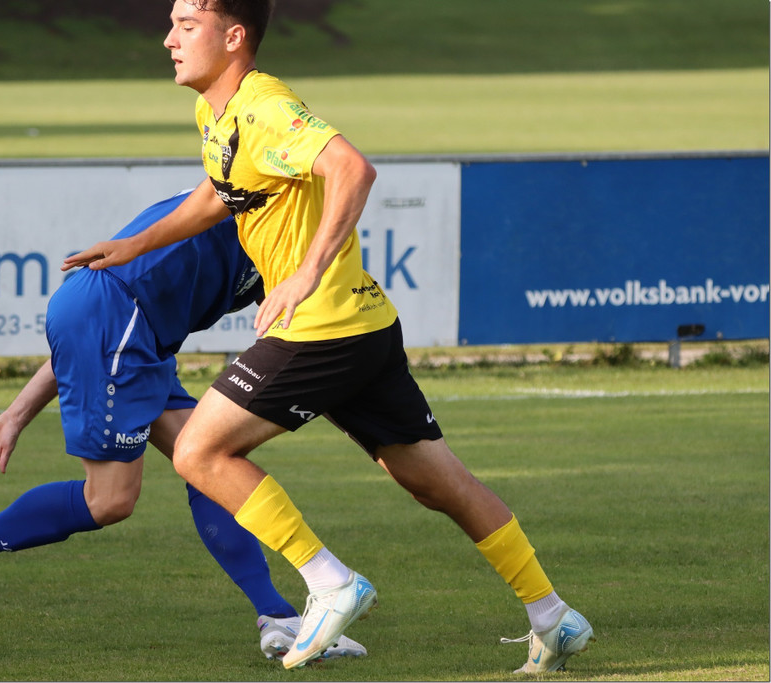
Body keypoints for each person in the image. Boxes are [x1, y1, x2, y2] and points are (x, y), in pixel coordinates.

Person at [61, 0, 595, 673]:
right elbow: (219, 192)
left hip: (320, 329)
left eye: (186, 26)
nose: (169, 39)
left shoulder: (265, 107)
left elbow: (352, 168)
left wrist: (305, 273)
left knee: (198, 450)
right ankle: (552, 614)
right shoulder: (217, 113)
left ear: (234, 37)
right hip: (364, 325)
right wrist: (135, 244)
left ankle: (330, 582)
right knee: (438, 482)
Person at [0, 191, 367, 663]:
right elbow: (100, 315)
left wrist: (15, 415)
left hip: (137, 335)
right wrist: (17, 416)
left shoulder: (287, 241)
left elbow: (303, 339)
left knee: (212, 462)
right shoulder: (245, 196)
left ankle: (278, 617)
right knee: (111, 500)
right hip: (119, 321)